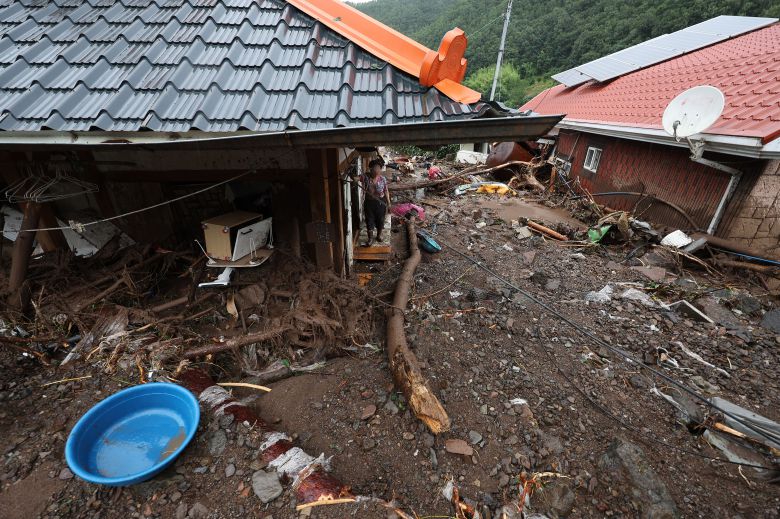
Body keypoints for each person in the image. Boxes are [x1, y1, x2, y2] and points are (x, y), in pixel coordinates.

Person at [362, 159, 391, 246]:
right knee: (369, 220)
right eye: (375, 168)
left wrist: (389, 203)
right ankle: (370, 238)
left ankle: (379, 235)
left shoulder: (383, 179)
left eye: (379, 168)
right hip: (369, 203)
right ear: (370, 168)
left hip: (380, 202)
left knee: (380, 219)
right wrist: (353, 177)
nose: (377, 170)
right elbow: (356, 178)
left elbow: (386, 191)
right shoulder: (365, 177)